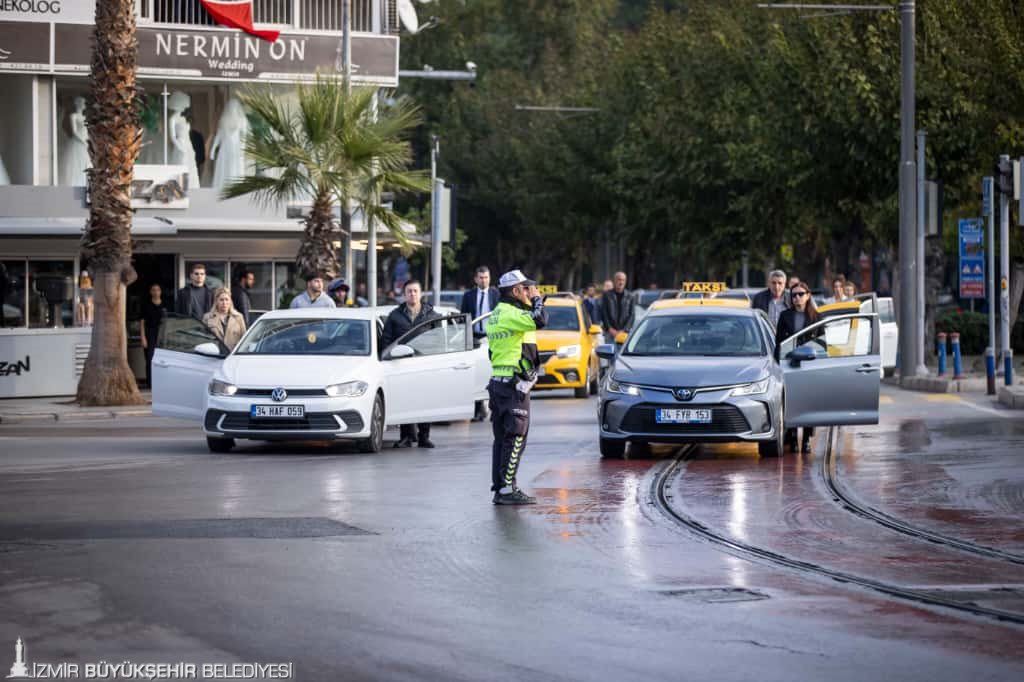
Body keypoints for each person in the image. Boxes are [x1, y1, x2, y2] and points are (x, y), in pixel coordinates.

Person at [486, 270, 548, 505]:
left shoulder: (497, 313)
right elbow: (540, 319)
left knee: (502, 439)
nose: (529, 291)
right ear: (515, 291)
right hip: (513, 387)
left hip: (500, 382)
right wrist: (537, 300)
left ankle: (501, 487)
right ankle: (506, 490)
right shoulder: (511, 313)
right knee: (515, 438)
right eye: (525, 288)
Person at [381, 280, 440, 448]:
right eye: (409, 291)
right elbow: (387, 340)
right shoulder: (395, 315)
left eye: (415, 291)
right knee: (406, 399)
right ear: (404, 294)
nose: (412, 294)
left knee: (425, 400)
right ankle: (406, 436)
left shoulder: (431, 315)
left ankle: (424, 436)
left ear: (420, 293)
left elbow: (440, 339)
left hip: (425, 364)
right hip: (403, 364)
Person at [775, 281, 819, 454]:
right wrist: (777, 363)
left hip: (810, 365)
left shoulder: (816, 316)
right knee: (790, 401)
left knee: (808, 402)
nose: (797, 298)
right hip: (790, 364)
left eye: (801, 294)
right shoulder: (785, 316)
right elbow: (779, 342)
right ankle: (792, 437)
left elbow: (823, 342)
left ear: (808, 295)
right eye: (794, 295)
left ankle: (806, 439)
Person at [461, 266, 500, 422]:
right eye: (481, 277)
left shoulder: (496, 294)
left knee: (494, 374)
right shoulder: (469, 296)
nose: (484, 280)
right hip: (475, 338)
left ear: (490, 278)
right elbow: (464, 317)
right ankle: (478, 409)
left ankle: (495, 409)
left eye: (486, 277)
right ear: (476, 279)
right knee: (476, 374)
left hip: (493, 338)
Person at [140, 283, 166, 388]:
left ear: (161, 292)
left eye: (158, 290)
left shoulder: (165, 305)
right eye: (153, 290)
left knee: (162, 359)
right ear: (150, 292)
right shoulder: (146, 305)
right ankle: (150, 383)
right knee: (150, 358)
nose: (156, 292)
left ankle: (161, 382)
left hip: (162, 333)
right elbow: (142, 322)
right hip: (149, 333)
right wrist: (143, 338)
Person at [600, 271, 635, 344]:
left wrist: (624, 330)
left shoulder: (630, 296)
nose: (621, 282)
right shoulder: (607, 295)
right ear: (614, 281)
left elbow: (632, 315)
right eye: (619, 279)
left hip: (624, 333)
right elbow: (604, 313)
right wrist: (610, 329)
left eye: (623, 280)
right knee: (609, 353)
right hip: (610, 332)